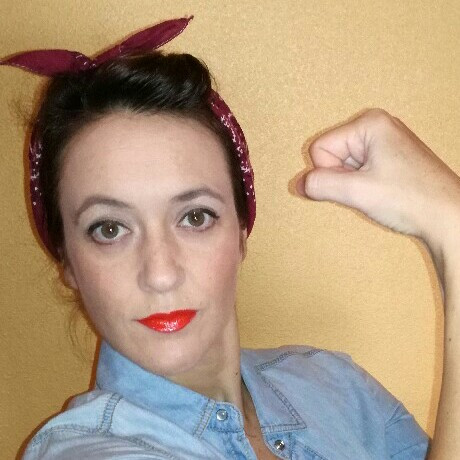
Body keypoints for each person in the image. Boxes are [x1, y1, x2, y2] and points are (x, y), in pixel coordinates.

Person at [2, 17, 458, 460]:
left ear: (241, 231)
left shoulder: (337, 386)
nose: (160, 274)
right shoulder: (81, 451)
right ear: (67, 260)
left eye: (195, 217)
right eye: (110, 229)